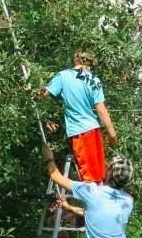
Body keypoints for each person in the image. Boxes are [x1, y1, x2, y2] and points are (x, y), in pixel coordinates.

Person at [39, 50, 119, 183]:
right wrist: (112, 134)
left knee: (89, 178)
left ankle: (91, 202)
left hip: (80, 132)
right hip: (94, 130)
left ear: (76, 61)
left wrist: (30, 90)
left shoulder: (63, 76)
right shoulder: (93, 79)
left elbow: (43, 94)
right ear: (89, 64)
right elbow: (101, 109)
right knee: (98, 176)